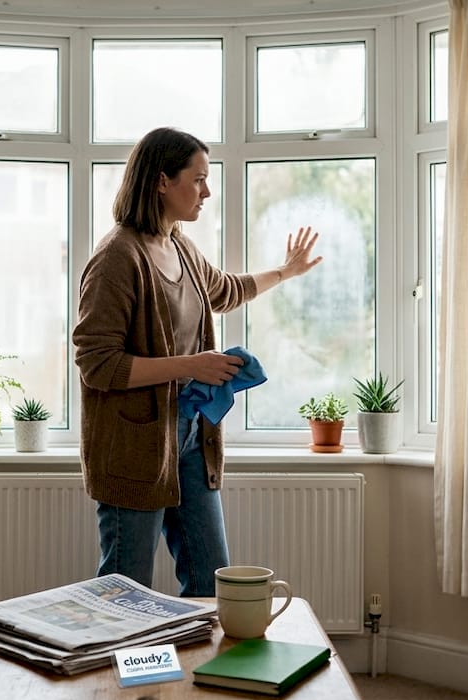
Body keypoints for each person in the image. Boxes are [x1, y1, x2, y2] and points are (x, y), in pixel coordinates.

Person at [72, 126, 323, 597]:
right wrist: (191, 366)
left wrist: (285, 271)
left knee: (211, 580)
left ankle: (204, 653)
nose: (207, 192)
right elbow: (97, 363)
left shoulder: (181, 246)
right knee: (125, 590)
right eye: (199, 179)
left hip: (190, 438)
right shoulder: (116, 258)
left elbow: (224, 290)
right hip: (132, 449)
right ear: (162, 181)